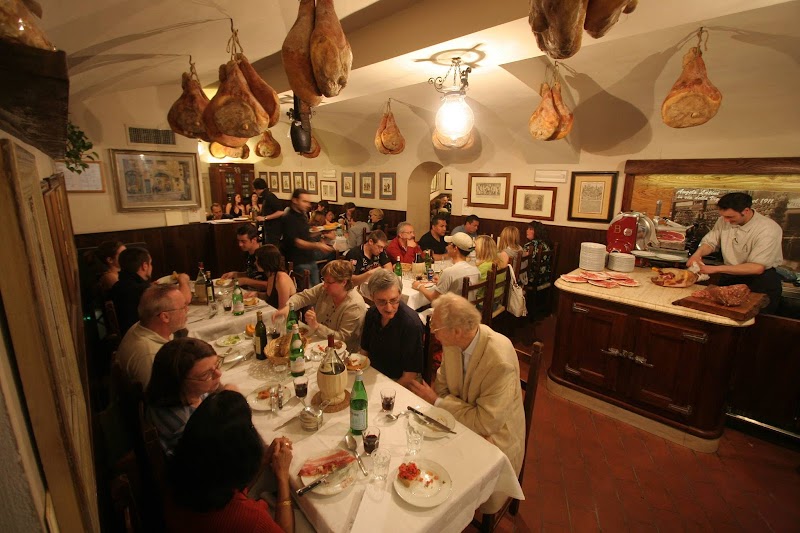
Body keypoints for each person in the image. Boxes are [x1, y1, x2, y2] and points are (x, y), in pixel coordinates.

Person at [408, 293, 525, 513]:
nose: (433, 334)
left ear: (457, 332)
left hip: (496, 437)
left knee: (446, 476)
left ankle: (452, 513)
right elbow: (442, 385)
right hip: (462, 423)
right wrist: (445, 402)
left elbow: (485, 423)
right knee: (421, 455)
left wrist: (439, 402)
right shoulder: (454, 343)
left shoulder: (499, 360)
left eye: (436, 329)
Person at [166, 390, 294, 533]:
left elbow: (232, 488)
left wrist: (263, 461)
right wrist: (282, 476)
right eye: (250, 427)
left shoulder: (187, 475)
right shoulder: (249, 519)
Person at [687, 192, 784, 314]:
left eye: (730, 217)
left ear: (746, 211)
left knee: (751, 327)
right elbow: (711, 243)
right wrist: (698, 254)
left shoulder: (768, 229)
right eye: (724, 217)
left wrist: (714, 269)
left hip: (759, 282)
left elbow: (757, 267)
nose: (726, 221)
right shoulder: (723, 220)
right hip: (730, 277)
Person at [145, 337, 228, 454]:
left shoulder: (182, 394)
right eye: (206, 374)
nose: (219, 374)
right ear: (178, 382)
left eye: (217, 364)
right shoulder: (185, 425)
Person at [272, 260, 365, 351]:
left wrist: (316, 326)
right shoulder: (324, 290)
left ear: (344, 282)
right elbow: (303, 297)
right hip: (318, 343)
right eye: (324, 280)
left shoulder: (354, 305)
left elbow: (342, 338)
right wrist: (288, 307)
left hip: (341, 352)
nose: (324, 285)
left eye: (329, 282)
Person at [360, 269, 424, 387]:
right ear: (372, 297)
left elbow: (410, 375)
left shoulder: (410, 324)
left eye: (394, 300)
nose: (389, 308)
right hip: (374, 374)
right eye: (381, 302)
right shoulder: (371, 314)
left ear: (400, 294)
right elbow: (364, 351)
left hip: (399, 382)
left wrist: (386, 393)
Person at [116, 285, 189, 387]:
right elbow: (161, 399)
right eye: (183, 307)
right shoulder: (152, 357)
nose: (187, 310)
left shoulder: (141, 326)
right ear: (165, 317)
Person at [111, 247, 191, 335]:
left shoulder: (117, 286)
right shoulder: (141, 289)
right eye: (150, 263)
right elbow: (184, 301)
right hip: (144, 336)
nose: (151, 267)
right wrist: (183, 280)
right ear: (144, 266)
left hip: (129, 334)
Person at [282, 188, 333, 286]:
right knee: (307, 293)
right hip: (298, 261)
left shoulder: (302, 215)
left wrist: (321, 232)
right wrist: (318, 245)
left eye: (308, 202)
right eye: (304, 201)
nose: (308, 204)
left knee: (317, 290)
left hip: (309, 258)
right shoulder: (289, 218)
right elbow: (297, 242)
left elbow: (305, 235)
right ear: (295, 200)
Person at [411, 232, 479, 303]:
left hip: (452, 312)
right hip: (469, 311)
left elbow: (434, 299)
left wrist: (419, 287)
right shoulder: (476, 270)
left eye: (449, 244)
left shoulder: (449, 272)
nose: (446, 247)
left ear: (455, 249)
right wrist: (442, 282)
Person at [221, 225, 267, 290]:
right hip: (250, 293)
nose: (240, 244)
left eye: (243, 241)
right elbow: (253, 274)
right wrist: (235, 274)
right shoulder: (247, 253)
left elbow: (270, 285)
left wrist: (246, 281)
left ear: (254, 240)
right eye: (239, 241)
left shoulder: (265, 255)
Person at [253, 245, 296, 310]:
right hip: (274, 312)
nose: (255, 263)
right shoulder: (271, 275)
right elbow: (270, 297)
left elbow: (283, 309)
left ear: (265, 261)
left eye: (257, 260)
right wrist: (257, 294)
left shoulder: (281, 279)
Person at [474, 235, 507, 302]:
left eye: (475, 246)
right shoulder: (498, 261)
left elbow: (474, 290)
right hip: (496, 300)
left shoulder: (486, 266)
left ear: (482, 249)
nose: (474, 249)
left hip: (483, 303)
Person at [252, 177, 284, 245]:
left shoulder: (270, 196)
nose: (254, 191)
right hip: (269, 230)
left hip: (274, 230)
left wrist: (265, 218)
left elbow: (280, 212)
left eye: (254, 189)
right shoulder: (265, 197)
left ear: (257, 188)